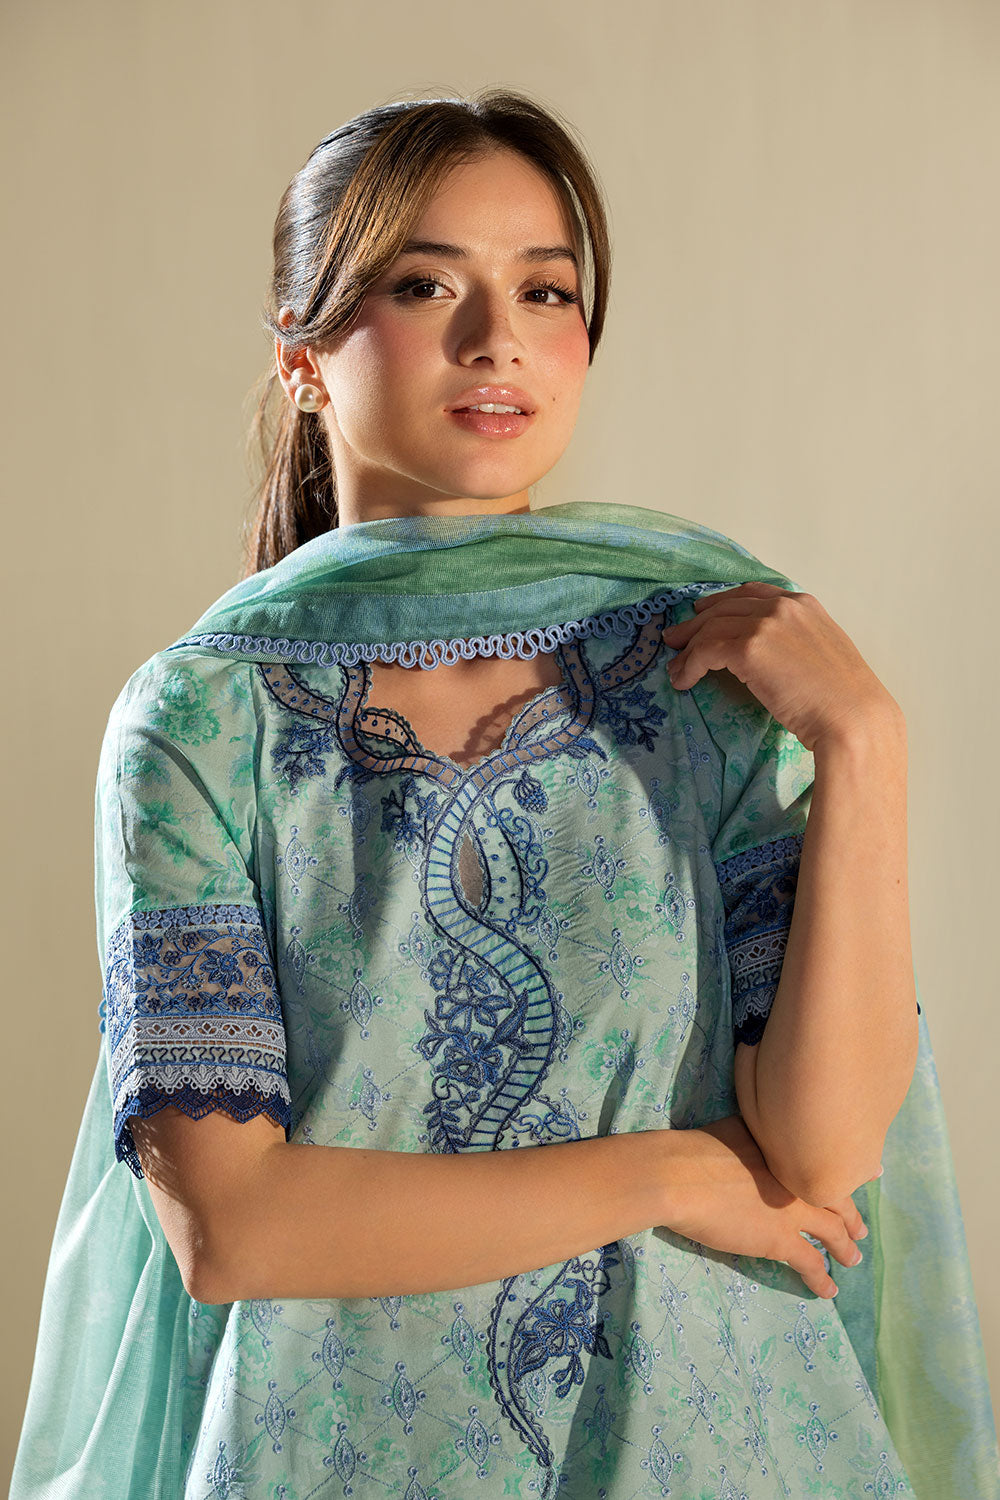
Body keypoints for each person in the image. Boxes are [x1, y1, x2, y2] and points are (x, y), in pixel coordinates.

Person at [11, 88, 999, 1500]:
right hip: (339, 1453)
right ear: (301, 357)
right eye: (428, 286)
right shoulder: (204, 720)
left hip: (712, 1443)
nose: (498, 340)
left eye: (546, 290)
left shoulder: (702, 673)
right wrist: (667, 1175)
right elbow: (234, 1227)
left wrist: (866, 744)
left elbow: (824, 1151)